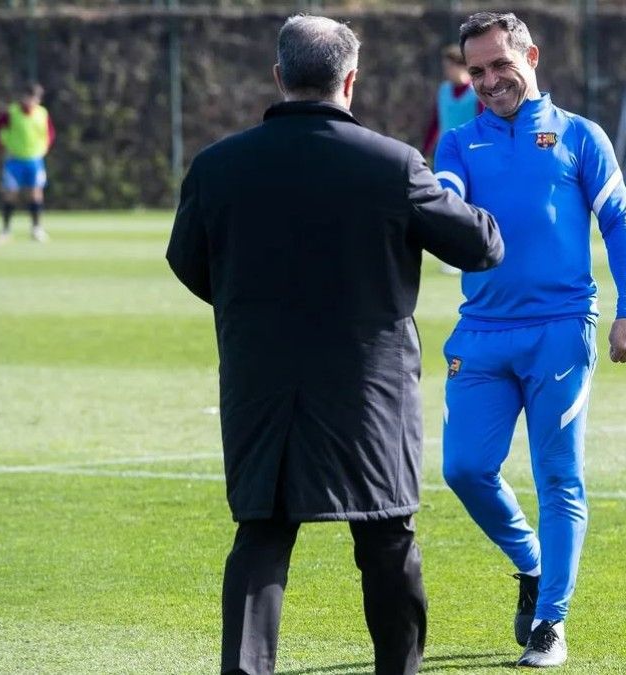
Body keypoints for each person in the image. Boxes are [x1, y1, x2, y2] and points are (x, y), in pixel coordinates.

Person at [166, 15, 503, 675]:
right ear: (351, 79)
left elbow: (188, 262)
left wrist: (250, 310)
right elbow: (481, 246)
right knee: (386, 537)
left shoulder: (217, 166)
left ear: (278, 77)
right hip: (367, 386)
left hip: (260, 380)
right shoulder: (392, 164)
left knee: (261, 534)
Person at [433, 11, 626, 668]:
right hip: (482, 332)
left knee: (559, 474)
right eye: (477, 71)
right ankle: (530, 562)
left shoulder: (581, 137)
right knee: (464, 467)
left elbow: (619, 224)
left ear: (532, 55)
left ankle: (551, 620)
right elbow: (445, 203)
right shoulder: (458, 143)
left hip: (561, 330)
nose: (490, 80)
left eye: (500, 64)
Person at [423, 44, 484, 276]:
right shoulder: (443, 91)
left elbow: (482, 123)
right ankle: (452, 256)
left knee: (471, 205)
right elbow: (435, 122)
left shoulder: (475, 93)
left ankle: (473, 251)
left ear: (462, 66)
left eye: (449, 66)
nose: (446, 71)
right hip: (447, 157)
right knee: (448, 203)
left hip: (471, 156)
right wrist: (426, 149)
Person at [0, 82, 55, 243]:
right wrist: (2, 146)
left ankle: (36, 229)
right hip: (14, 160)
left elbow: (50, 134)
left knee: (36, 194)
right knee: (11, 194)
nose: (31, 101)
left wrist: (44, 148)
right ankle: (5, 230)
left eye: (35, 98)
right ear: (23, 97)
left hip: (34, 160)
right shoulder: (12, 112)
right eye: (29, 97)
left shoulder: (42, 113)